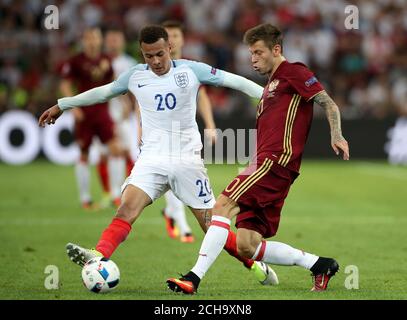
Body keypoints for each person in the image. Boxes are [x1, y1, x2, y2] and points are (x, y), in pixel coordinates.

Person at [39, 25, 279, 287]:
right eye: (148, 56)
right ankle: (99, 256)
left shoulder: (191, 70)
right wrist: (63, 104)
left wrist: (271, 97)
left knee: (212, 228)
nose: (155, 61)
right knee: (126, 209)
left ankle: (255, 263)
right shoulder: (134, 76)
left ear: (170, 49)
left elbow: (236, 81)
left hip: (186, 161)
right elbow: (102, 93)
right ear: (142, 54)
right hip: (151, 160)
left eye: (159, 55)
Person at [167, 23, 350, 294]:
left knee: (222, 206)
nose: (253, 59)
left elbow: (328, 102)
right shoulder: (270, 86)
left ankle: (193, 278)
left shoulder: (294, 72)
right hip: (266, 164)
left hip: (274, 161)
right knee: (247, 245)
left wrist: (337, 134)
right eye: (251, 53)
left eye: (258, 52)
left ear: (276, 50)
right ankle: (320, 264)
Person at [160, 20, 218, 243]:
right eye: (168, 36)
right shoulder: (155, 66)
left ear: (182, 39)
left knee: (185, 174)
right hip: (161, 132)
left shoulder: (190, 68)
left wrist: (210, 125)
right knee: (168, 170)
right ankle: (183, 225)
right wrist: (140, 129)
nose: (172, 39)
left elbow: (201, 96)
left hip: (185, 133)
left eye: (175, 35)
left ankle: (172, 214)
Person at [59, 27, 124, 210]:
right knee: (84, 154)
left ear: (100, 40)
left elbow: (116, 85)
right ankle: (85, 198)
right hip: (84, 114)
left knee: (116, 150)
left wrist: (124, 106)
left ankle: (115, 194)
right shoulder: (75, 61)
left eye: (95, 37)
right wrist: (72, 106)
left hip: (103, 113)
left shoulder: (107, 60)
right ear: (84, 41)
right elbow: (65, 84)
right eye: (89, 38)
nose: (92, 41)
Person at [100, 28, 139, 208]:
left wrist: (130, 107)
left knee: (127, 152)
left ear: (122, 41)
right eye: (110, 39)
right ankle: (111, 192)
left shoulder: (129, 63)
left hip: (124, 116)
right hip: (102, 115)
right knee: (104, 154)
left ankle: (122, 193)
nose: (113, 42)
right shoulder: (99, 62)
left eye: (117, 39)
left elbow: (137, 90)